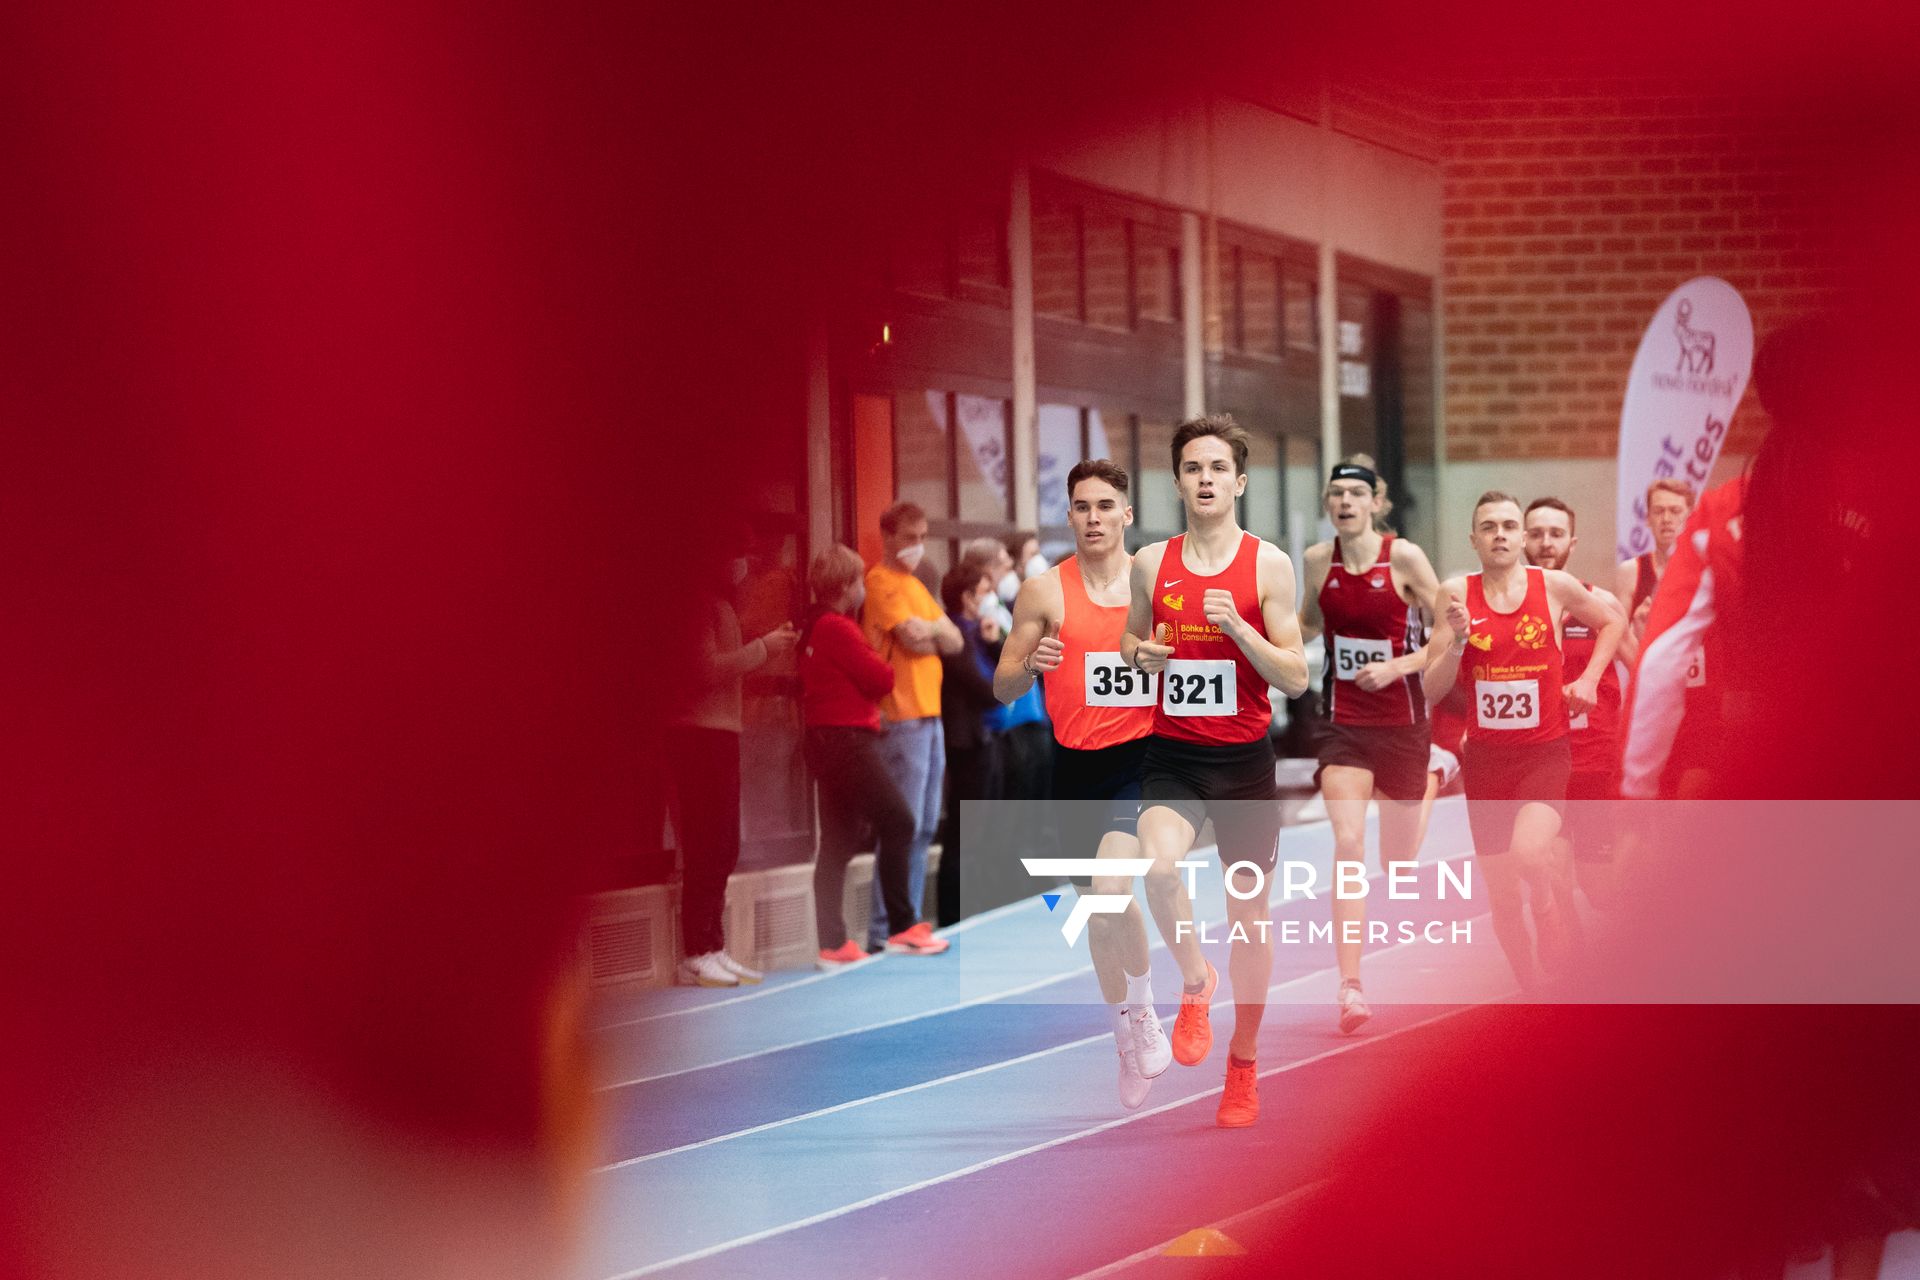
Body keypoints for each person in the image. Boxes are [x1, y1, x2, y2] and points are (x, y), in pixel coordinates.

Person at [1121, 414, 1310, 1128]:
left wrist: (1239, 629)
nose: (1205, 479)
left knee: (1251, 924)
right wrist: (1143, 655)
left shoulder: (1268, 566)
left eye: (1217, 468)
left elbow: (1294, 676)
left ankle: (1245, 1061)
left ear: (1240, 481)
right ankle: (1195, 982)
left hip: (1243, 765)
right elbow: (1130, 638)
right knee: (1159, 868)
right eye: (1192, 468)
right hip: (1173, 754)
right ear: (1177, 481)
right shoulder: (1150, 562)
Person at [995, 459, 1167, 1110]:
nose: (1093, 517)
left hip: (1140, 762)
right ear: (1069, 515)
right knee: (1097, 917)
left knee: (1111, 887)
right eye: (1082, 507)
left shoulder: (1152, 583)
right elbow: (1003, 685)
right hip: (1073, 767)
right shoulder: (1042, 592)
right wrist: (1029, 667)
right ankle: (1123, 1035)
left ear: (1126, 515)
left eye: (1105, 506)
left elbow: (1191, 658)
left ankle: (1146, 1008)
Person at [1423, 491, 1623, 990]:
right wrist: (1458, 646)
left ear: (1521, 536)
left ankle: (1550, 902)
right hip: (1488, 763)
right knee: (1502, 899)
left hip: (1545, 754)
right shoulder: (1453, 594)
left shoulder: (1553, 586)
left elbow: (1612, 622)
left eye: (1510, 526)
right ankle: (1531, 990)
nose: (1501, 535)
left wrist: (1590, 680)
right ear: (1474, 539)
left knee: (1531, 853)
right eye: (1489, 527)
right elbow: (1430, 688)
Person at [1298, 454, 1442, 1034]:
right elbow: (1307, 624)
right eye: (1336, 495)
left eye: (1356, 495)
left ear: (1376, 504)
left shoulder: (1403, 557)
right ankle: (1350, 987)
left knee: (1398, 863)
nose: (1345, 503)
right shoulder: (1315, 561)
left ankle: (1434, 776)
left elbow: (1454, 631)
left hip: (1403, 723)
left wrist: (1399, 665)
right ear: (1329, 504)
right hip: (1342, 722)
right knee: (1350, 844)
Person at [799, 545, 948, 967]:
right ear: (847, 586)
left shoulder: (816, 626)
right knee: (899, 820)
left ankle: (833, 943)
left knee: (838, 841)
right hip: (847, 740)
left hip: (828, 740)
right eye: (858, 580)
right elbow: (881, 678)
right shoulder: (838, 629)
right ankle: (902, 926)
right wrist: (883, 654)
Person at [669, 552, 798, 987]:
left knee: (722, 845)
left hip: (722, 731)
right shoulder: (694, 607)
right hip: (698, 733)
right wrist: (763, 649)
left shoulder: (719, 605)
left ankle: (712, 944)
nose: (739, 563)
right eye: (733, 554)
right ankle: (695, 952)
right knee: (706, 844)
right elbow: (707, 670)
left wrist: (762, 645)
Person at [1523, 497, 1632, 920]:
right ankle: (1568, 971)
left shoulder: (1600, 603)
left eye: (1555, 534)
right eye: (1536, 533)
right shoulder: (1511, 609)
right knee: (1552, 874)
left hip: (1593, 761)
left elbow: (1641, 670)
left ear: (1572, 542)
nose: (1546, 543)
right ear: (1522, 540)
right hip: (1539, 758)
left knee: (1598, 885)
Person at [861, 502, 964, 950]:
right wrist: (931, 632)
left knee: (923, 825)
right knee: (901, 825)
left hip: (930, 715)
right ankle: (885, 928)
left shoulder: (916, 585)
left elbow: (954, 640)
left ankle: (907, 920)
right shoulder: (880, 582)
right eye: (909, 537)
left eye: (923, 536)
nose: (917, 546)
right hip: (901, 716)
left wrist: (931, 631)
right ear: (887, 536)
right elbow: (911, 637)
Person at [935, 563, 1005, 928]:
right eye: (982, 592)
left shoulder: (976, 632)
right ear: (966, 597)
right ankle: (953, 916)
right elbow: (990, 689)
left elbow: (1002, 674)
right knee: (963, 833)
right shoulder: (954, 635)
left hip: (982, 739)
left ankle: (974, 908)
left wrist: (993, 644)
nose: (988, 600)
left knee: (980, 830)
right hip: (964, 744)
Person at [1616, 477, 1695, 644]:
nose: (1666, 519)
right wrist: (1637, 631)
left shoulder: (1704, 571)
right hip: (1645, 664)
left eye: (1675, 511)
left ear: (1690, 516)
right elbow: (1618, 644)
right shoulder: (1630, 572)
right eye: (1658, 511)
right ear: (1647, 518)